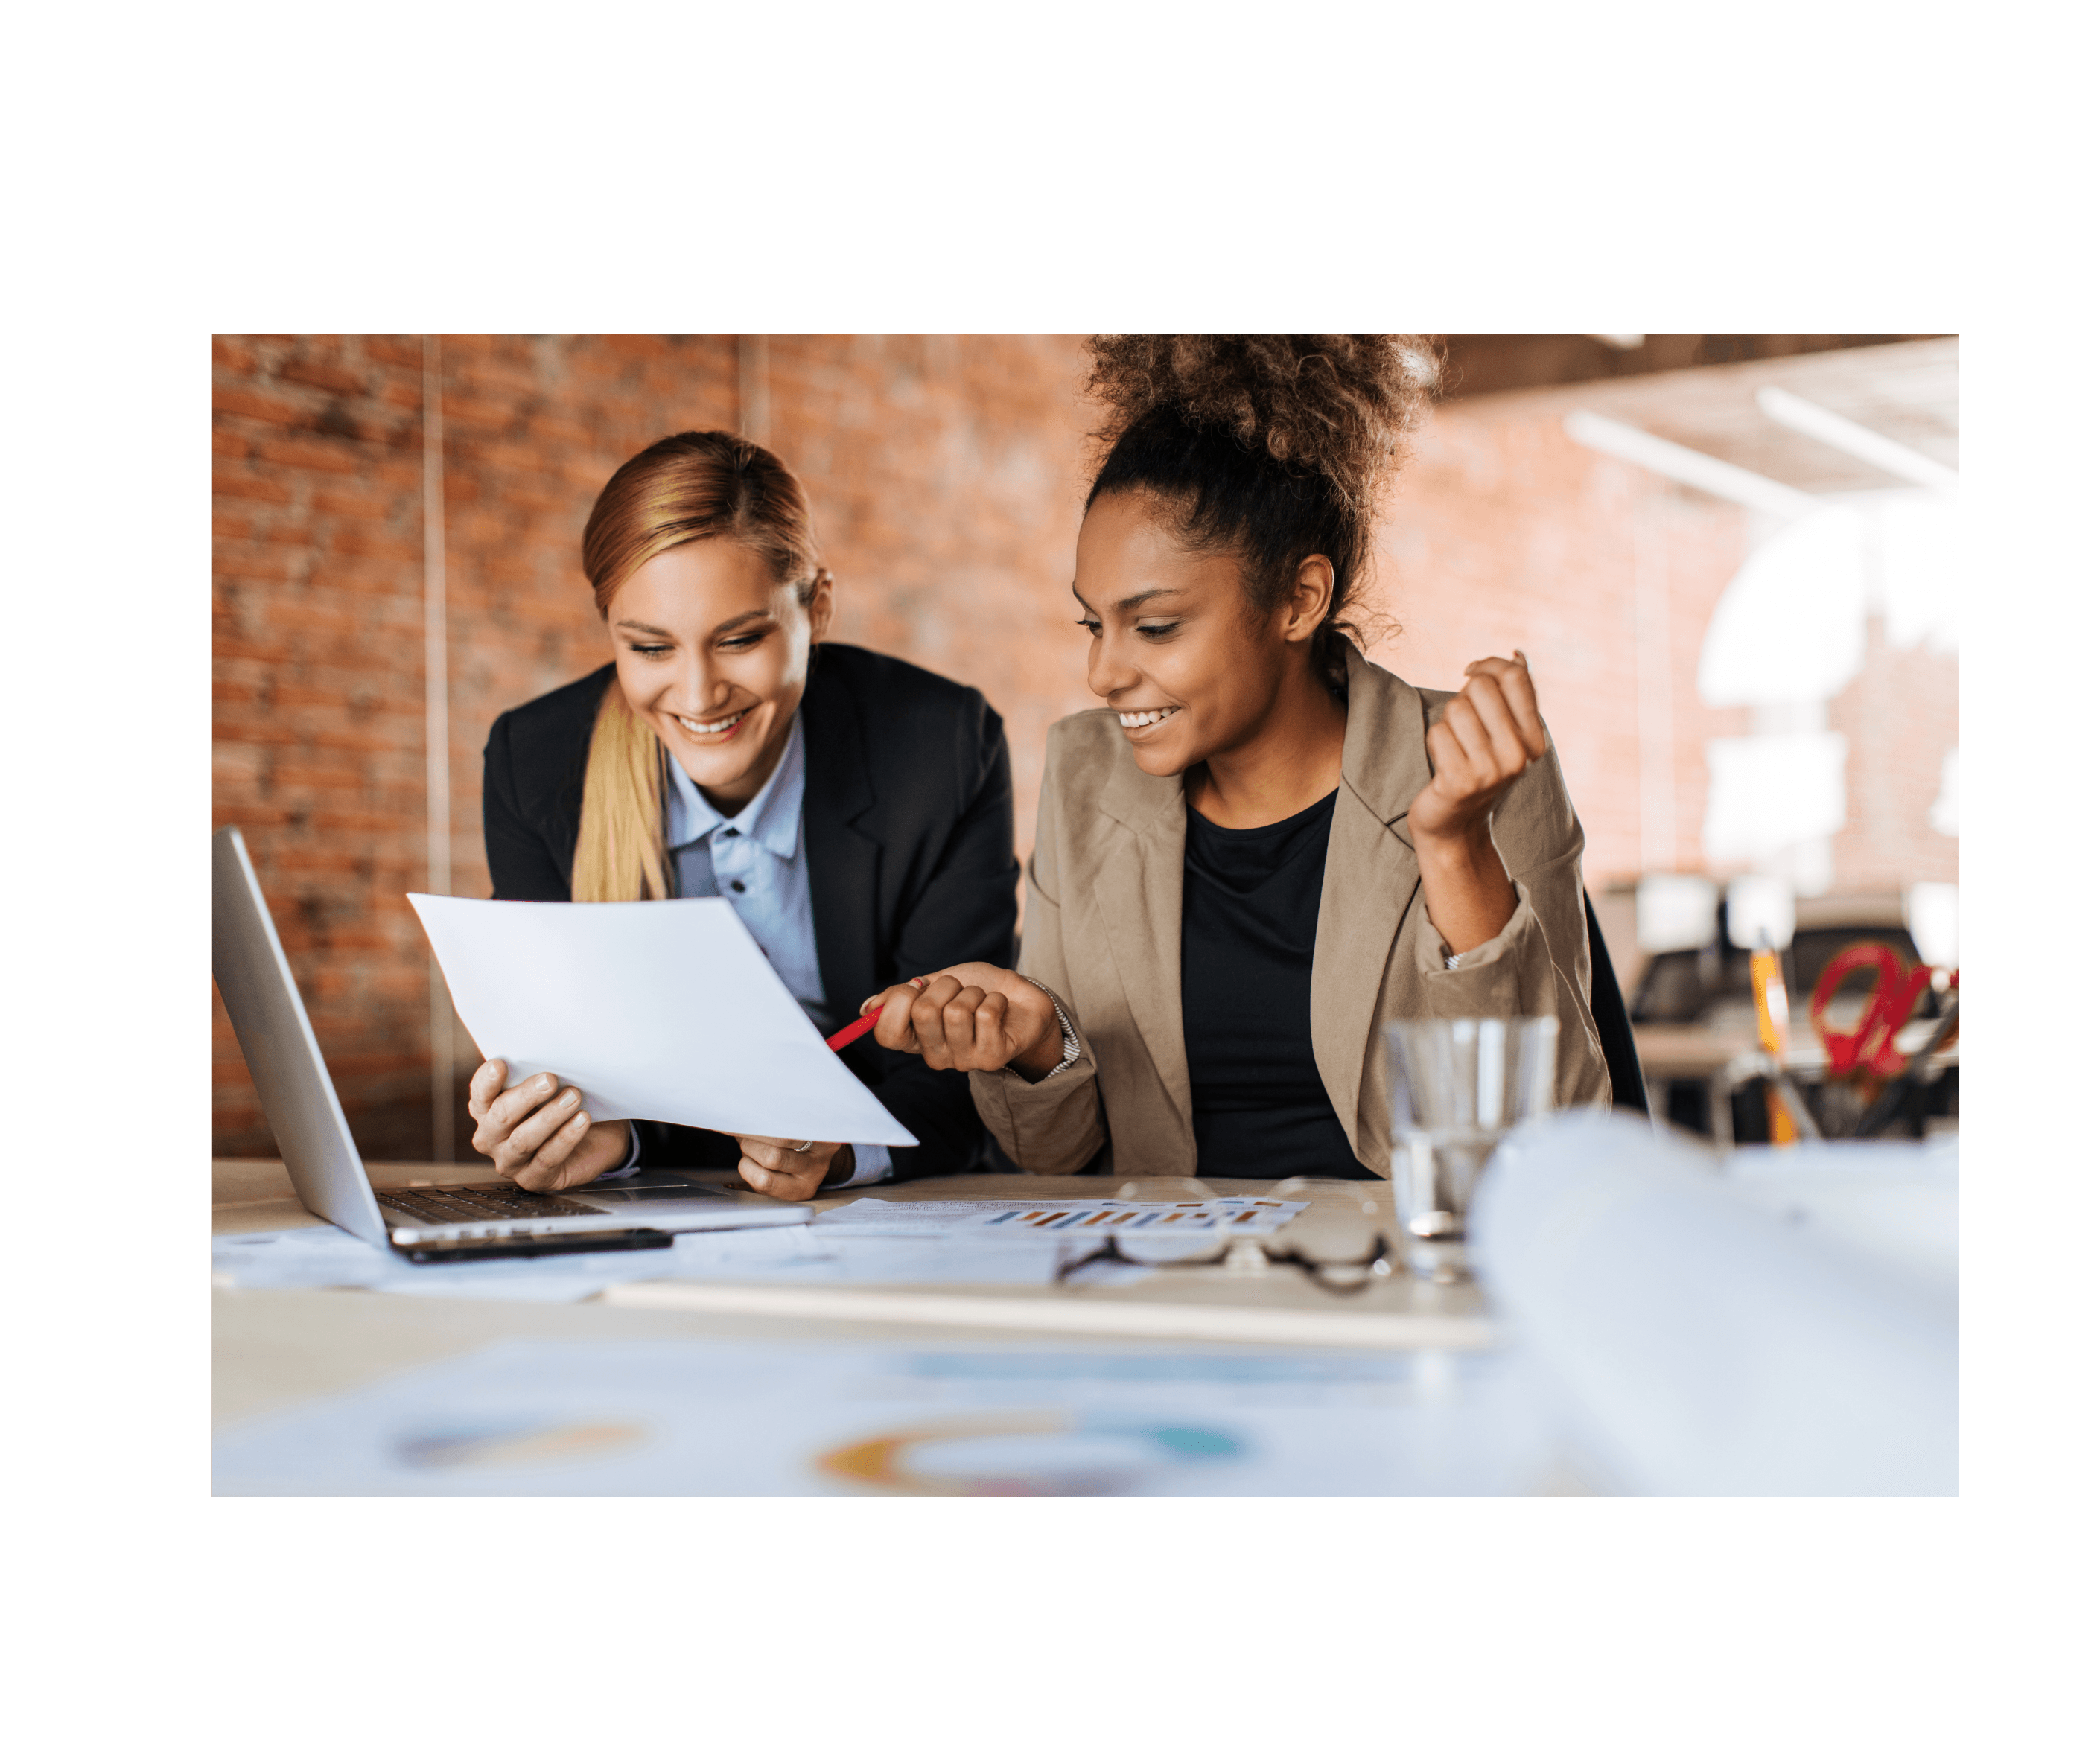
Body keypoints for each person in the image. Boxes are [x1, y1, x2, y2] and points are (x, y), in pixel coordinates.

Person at [857, 334, 1611, 1181]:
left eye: (1155, 626)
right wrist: (1038, 1050)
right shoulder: (1084, 773)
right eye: (1092, 625)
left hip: (1400, 1283)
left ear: (1299, 599)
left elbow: (1550, 1139)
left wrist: (1455, 848)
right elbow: (1052, 1160)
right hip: (1169, 1288)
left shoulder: (1475, 769)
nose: (1103, 673)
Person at [468, 430, 1020, 1200]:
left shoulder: (940, 748)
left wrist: (840, 1154)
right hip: (667, 1211)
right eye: (650, 648)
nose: (697, 696)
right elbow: (574, 1070)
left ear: (816, 608)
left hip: (890, 1207)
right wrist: (586, 1134)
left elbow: (964, 1074)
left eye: (739, 639)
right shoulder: (534, 764)